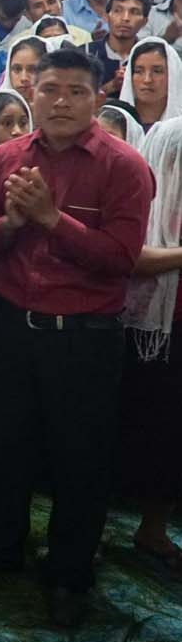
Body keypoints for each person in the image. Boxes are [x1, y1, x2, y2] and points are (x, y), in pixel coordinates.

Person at [0, 49, 154, 629]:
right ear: (30, 93)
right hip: (12, 326)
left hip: (84, 337)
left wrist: (49, 218)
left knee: (80, 457)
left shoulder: (123, 167)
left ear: (97, 98)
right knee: (4, 445)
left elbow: (119, 258)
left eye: (75, 91)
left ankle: (69, 574)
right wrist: (12, 223)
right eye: (49, 90)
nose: (60, 101)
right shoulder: (8, 156)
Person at [118, 118, 182, 573]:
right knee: (131, 432)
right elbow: (131, 258)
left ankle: (154, 527)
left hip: (176, 337)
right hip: (141, 336)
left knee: (171, 440)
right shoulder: (139, 197)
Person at [82, 0, 151, 95]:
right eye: (118, 11)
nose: (125, 18)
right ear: (107, 16)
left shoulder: (151, 58)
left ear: (144, 21)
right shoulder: (84, 54)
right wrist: (112, 86)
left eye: (134, 12)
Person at [120, 36, 182, 131]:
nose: (147, 80)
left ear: (173, 75)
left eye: (157, 71)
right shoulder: (113, 123)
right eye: (138, 71)